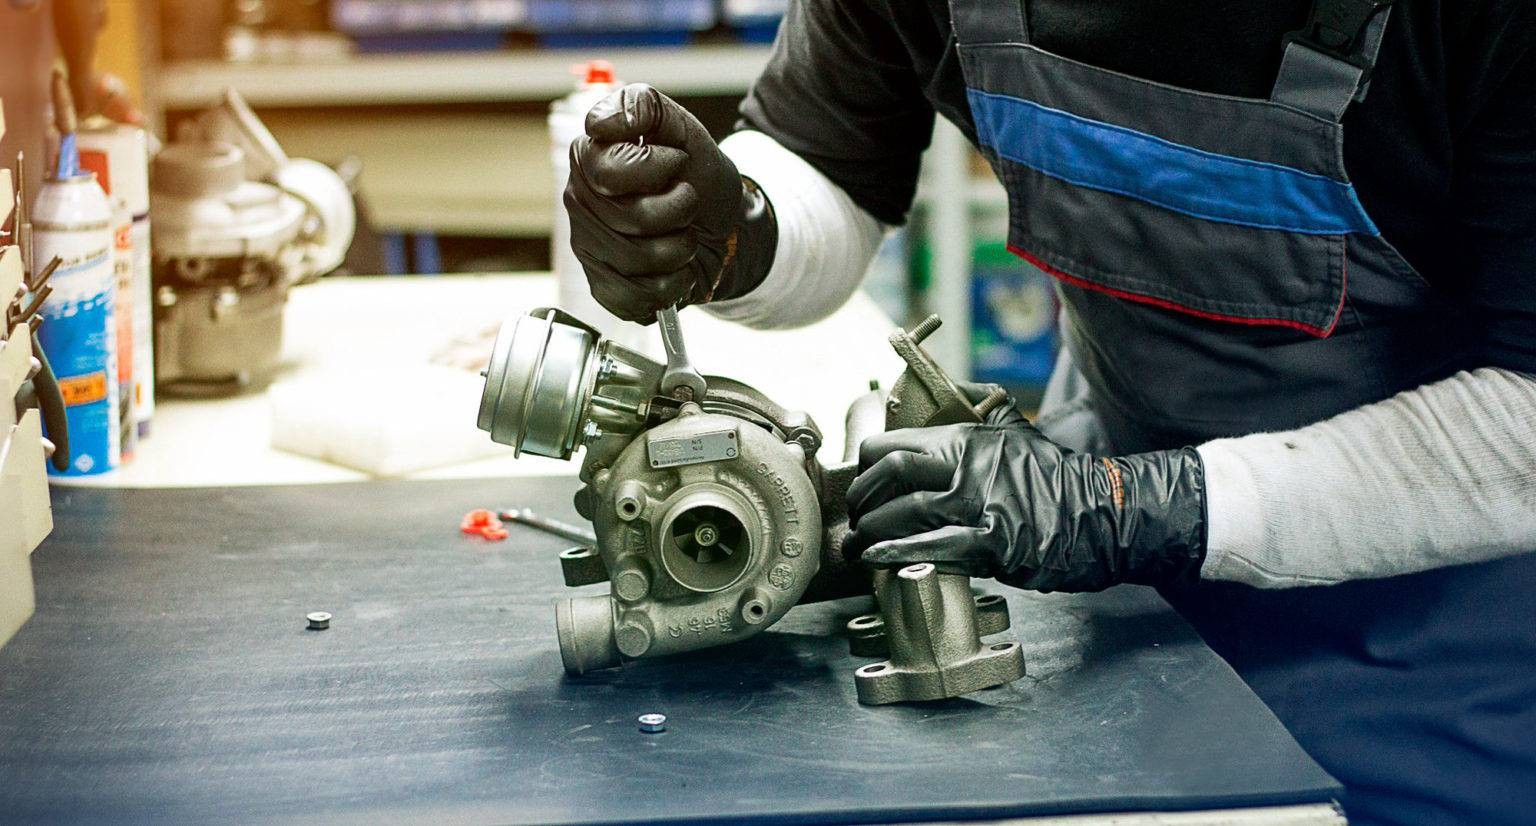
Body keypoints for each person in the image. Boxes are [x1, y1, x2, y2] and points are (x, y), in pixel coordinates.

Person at [563, 0, 1535, 822]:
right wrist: (733, 227)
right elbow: (831, 159)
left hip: (1442, 640)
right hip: (1133, 609)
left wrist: (1126, 508)